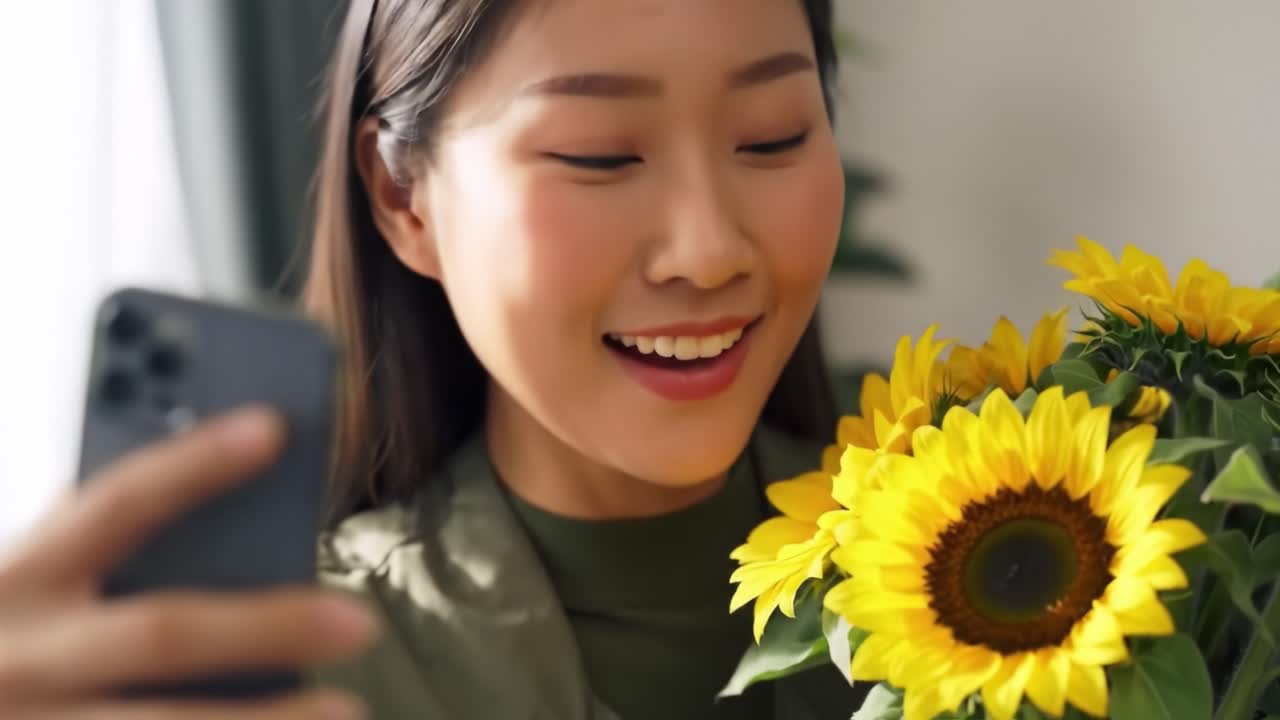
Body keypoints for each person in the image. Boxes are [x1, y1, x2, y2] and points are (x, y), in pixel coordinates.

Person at [0, 0, 864, 717]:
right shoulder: (279, 668)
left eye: (772, 138)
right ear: (403, 197)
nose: (708, 253)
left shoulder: (974, 541)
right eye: (598, 155)